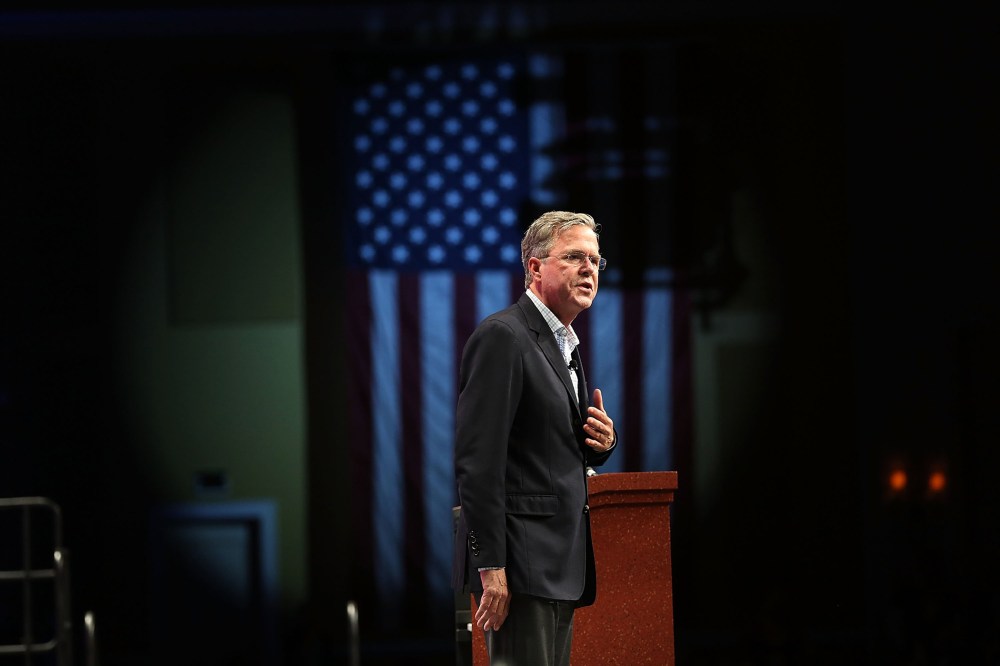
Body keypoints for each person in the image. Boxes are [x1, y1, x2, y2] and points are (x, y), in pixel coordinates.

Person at [452, 210, 617, 665]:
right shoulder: (504, 336)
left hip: (558, 561)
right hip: (521, 565)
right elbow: (477, 461)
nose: (589, 268)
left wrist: (601, 443)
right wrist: (492, 568)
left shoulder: (562, 341)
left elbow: (543, 444)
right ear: (534, 267)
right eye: (575, 257)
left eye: (595, 261)